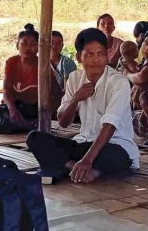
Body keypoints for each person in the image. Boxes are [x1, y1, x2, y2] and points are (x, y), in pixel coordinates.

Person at [27, 28, 139, 182]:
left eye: (100, 54)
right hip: (84, 142)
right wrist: (75, 99)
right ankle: (79, 169)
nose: (96, 59)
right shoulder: (74, 78)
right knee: (35, 139)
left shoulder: (118, 82)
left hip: (113, 144)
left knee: (116, 157)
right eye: (90, 54)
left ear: (107, 56)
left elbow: (110, 125)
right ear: (79, 57)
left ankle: (84, 169)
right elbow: (63, 122)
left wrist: (87, 160)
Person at [0, 24, 55, 134]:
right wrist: (12, 109)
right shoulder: (11, 62)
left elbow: (54, 95)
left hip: (34, 109)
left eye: (33, 44)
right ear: (17, 45)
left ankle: (27, 124)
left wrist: (45, 115)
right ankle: (24, 125)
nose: (28, 48)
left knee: (4, 121)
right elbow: (7, 90)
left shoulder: (43, 65)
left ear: (39, 47)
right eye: (24, 44)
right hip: (15, 105)